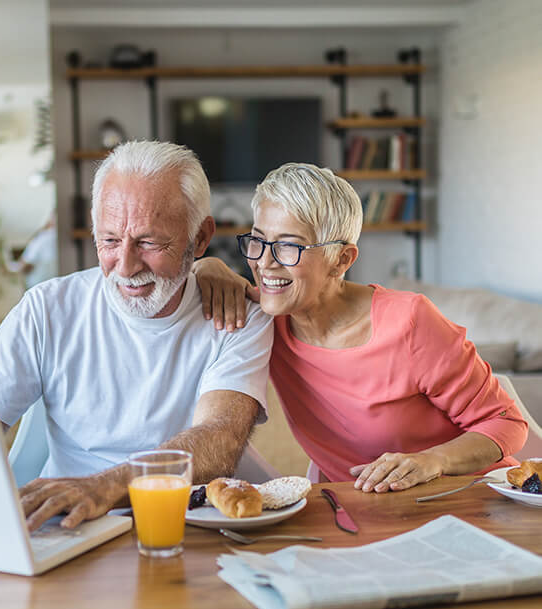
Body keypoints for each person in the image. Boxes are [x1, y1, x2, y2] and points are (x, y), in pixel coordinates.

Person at [0, 141, 273, 530]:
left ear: (199, 238)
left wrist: (103, 488)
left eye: (148, 242)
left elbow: (218, 441)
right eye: (109, 240)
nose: (124, 266)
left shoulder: (236, 316)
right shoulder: (46, 309)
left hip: (183, 526)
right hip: (68, 525)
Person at [194, 163, 527, 493]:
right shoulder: (264, 318)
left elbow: (507, 424)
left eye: (288, 246)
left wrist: (432, 460)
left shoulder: (409, 322)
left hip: (470, 499)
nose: (264, 262)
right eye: (258, 240)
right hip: (368, 512)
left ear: (343, 260)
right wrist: (206, 266)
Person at [4, 211, 58, 288]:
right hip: (52, 282)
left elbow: (25, 266)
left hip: (40, 284)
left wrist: (13, 268)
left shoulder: (43, 238)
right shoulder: (50, 236)